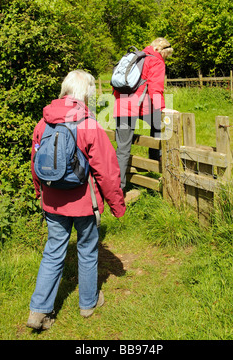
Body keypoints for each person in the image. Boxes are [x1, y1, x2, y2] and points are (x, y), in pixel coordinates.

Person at [27, 70, 126, 330]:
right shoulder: (90, 124)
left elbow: (34, 162)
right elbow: (108, 170)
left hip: (53, 203)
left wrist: (39, 192)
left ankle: (38, 311)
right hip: (85, 203)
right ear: (87, 93)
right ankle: (88, 303)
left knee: (53, 252)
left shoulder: (43, 122)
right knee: (87, 250)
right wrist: (117, 205)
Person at [113, 38, 173, 192]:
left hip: (121, 105)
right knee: (161, 128)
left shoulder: (136, 57)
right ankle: (156, 165)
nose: (166, 58)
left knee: (122, 149)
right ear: (162, 51)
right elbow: (155, 89)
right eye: (167, 55)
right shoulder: (156, 61)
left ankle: (117, 191)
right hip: (140, 107)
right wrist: (163, 110)